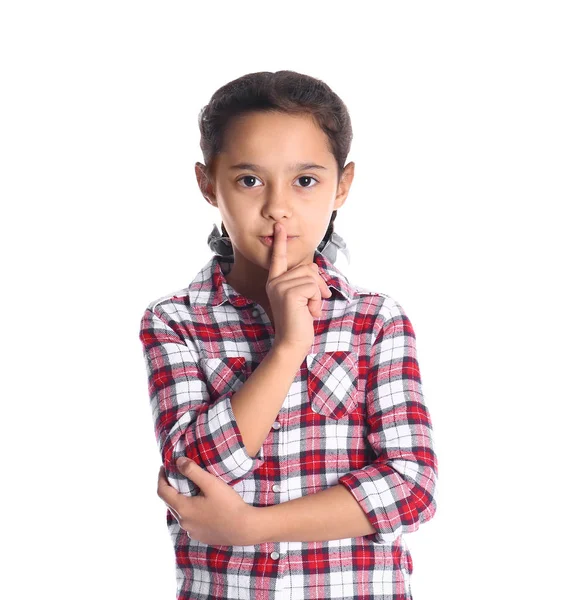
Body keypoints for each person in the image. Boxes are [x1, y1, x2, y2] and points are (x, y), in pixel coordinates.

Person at [138, 70, 438, 600]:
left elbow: (410, 487)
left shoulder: (375, 321)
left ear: (342, 185)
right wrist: (289, 347)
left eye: (305, 180)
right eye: (249, 180)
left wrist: (254, 526)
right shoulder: (175, 321)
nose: (278, 206)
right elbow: (191, 478)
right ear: (208, 184)